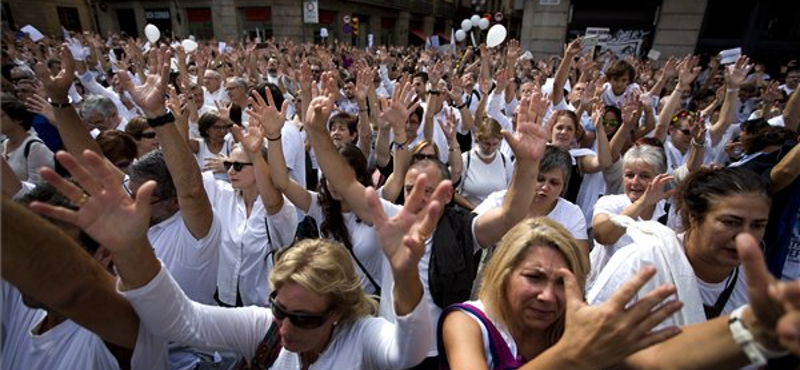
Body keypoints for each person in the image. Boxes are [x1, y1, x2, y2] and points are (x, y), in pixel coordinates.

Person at [29, 145, 452, 370]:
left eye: (304, 319)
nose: (284, 327)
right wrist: (129, 249)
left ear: (338, 312)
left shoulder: (361, 336)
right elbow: (180, 320)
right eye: (279, 308)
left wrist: (404, 273)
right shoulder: (264, 329)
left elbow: (407, 352)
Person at [589, 167, 771, 326]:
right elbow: (590, 339)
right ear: (694, 217)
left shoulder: (755, 283)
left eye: (757, 226)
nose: (745, 238)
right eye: (731, 222)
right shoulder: (641, 262)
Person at [589, 143, 672, 283]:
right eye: (629, 175)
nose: (635, 182)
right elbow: (602, 235)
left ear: (660, 178)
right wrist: (642, 203)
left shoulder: (670, 213)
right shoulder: (610, 203)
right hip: (602, 291)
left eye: (644, 176)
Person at [457, 118, 513, 209]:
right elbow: (454, 192)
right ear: (479, 139)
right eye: (487, 144)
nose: (490, 149)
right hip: (469, 214)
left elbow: (511, 190)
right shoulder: (465, 159)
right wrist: (474, 209)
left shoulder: (505, 161)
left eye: (495, 144)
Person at [1, 94, 54, 183]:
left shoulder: (34, 147)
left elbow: (40, 186)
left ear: (18, 119)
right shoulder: (4, 144)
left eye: (1, 116)